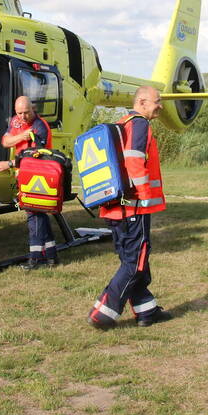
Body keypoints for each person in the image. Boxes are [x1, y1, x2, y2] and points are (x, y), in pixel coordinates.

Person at [87, 86, 172, 330]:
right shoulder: (140, 124)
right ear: (142, 102)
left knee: (135, 261)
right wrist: (144, 197)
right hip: (133, 209)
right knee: (135, 263)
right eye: (157, 101)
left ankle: (147, 312)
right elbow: (134, 160)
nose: (161, 106)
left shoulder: (122, 124)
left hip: (116, 208)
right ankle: (103, 312)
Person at [0, 96, 57, 269]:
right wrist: (21, 136)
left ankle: (35, 258)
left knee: (33, 215)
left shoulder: (40, 127)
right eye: (19, 113)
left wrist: (9, 163)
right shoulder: (16, 121)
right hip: (25, 175)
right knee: (39, 214)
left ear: (32, 109)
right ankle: (51, 256)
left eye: (26, 112)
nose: (23, 116)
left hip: (38, 175)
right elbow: (5, 141)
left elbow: (36, 156)